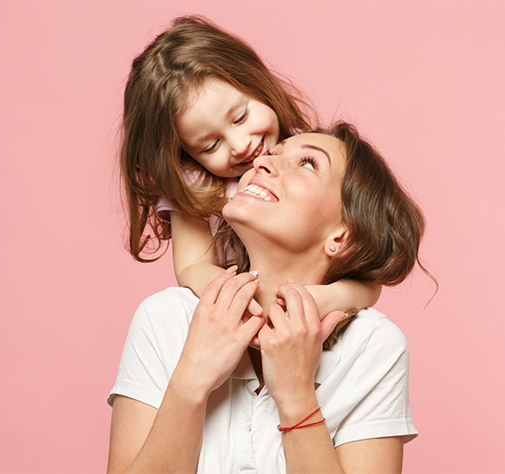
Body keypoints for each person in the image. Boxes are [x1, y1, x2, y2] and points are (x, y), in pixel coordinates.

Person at [108, 123, 428, 473]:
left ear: (342, 235)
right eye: (272, 154)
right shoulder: (165, 318)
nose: (261, 163)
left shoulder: (372, 346)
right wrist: (190, 382)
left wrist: (296, 396)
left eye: (307, 163)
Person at [120, 16, 380, 320]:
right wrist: (238, 298)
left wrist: (327, 296)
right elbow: (192, 267)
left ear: (256, 85)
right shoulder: (195, 188)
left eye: (240, 117)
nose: (241, 145)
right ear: (185, 155)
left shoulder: (303, 156)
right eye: (210, 145)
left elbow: (369, 282)